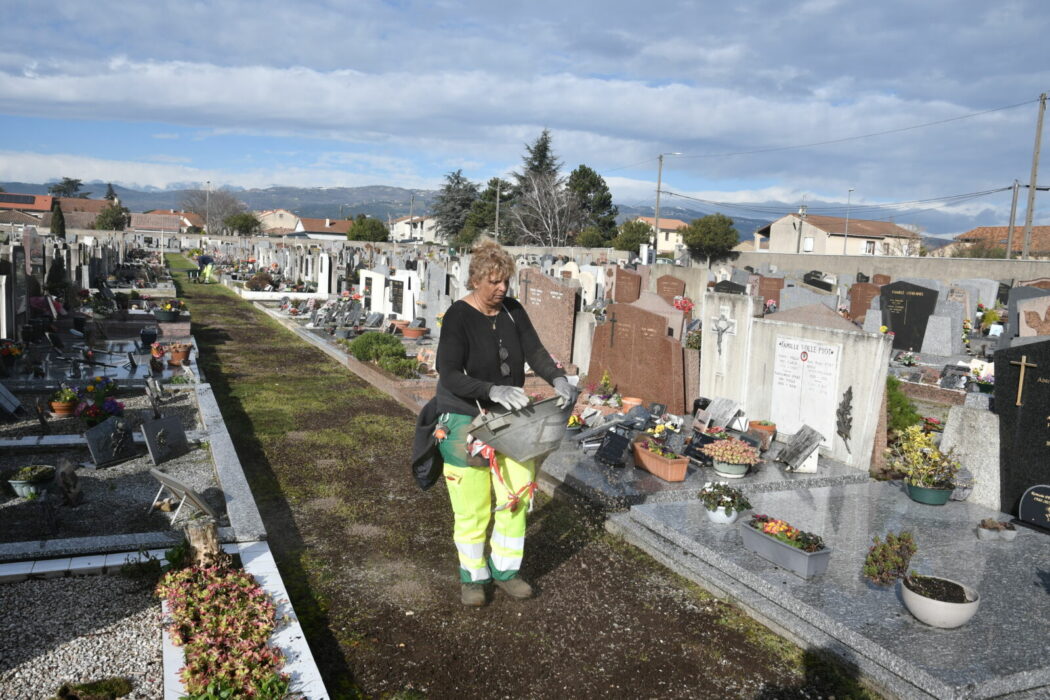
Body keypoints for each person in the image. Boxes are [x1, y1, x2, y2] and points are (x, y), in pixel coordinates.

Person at [434, 237, 577, 606]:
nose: (501, 289)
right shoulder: (458, 316)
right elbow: (448, 373)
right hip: (465, 416)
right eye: (494, 282)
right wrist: (491, 389)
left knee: (516, 497)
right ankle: (473, 576)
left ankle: (506, 570)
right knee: (472, 505)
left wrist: (557, 377)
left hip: (511, 420)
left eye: (505, 281)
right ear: (476, 281)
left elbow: (535, 351)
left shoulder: (512, 311)